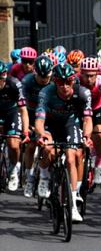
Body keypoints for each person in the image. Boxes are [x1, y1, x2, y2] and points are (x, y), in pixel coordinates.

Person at [34, 63, 92, 223]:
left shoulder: (83, 93)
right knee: (48, 149)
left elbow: (87, 119)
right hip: (50, 125)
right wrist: (41, 134)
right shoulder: (46, 92)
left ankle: (72, 205)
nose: (65, 86)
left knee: (72, 158)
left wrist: (87, 136)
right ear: (54, 81)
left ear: (74, 80)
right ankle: (44, 178)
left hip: (69, 124)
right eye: (60, 82)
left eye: (69, 82)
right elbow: (39, 121)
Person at [21, 56, 54, 198]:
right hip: (31, 112)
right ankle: (29, 179)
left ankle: (50, 174)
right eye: (40, 76)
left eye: (46, 76)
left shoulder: (55, 82)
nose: (43, 79)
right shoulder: (27, 81)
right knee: (30, 145)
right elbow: (21, 105)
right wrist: (26, 126)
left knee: (52, 148)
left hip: (50, 114)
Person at [78, 57, 101, 187]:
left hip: (97, 109)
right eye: (86, 76)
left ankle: (99, 161)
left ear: (97, 74)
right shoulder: (76, 80)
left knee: (99, 132)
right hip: (81, 109)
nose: (89, 79)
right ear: (81, 73)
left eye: (92, 76)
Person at [0, 61, 29, 192]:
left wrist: (25, 131)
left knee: (14, 144)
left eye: (0, 79)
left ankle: (13, 170)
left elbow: (23, 110)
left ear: (5, 77)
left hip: (12, 111)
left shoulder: (15, 84)